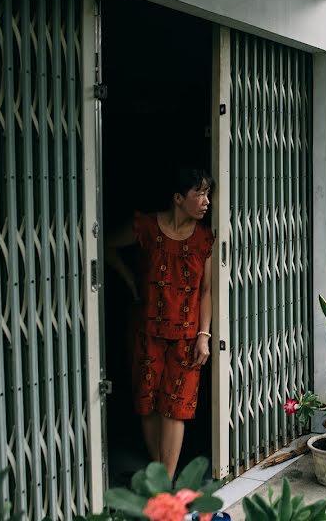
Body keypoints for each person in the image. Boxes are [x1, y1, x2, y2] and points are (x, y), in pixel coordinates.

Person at [106, 168, 215, 478]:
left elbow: (205, 291)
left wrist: (204, 334)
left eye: (208, 193)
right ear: (178, 198)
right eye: (200, 194)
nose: (207, 201)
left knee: (176, 407)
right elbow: (105, 244)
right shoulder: (147, 227)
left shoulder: (204, 238)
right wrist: (130, 283)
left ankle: (164, 481)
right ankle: (160, 477)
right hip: (146, 331)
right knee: (149, 402)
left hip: (186, 335)